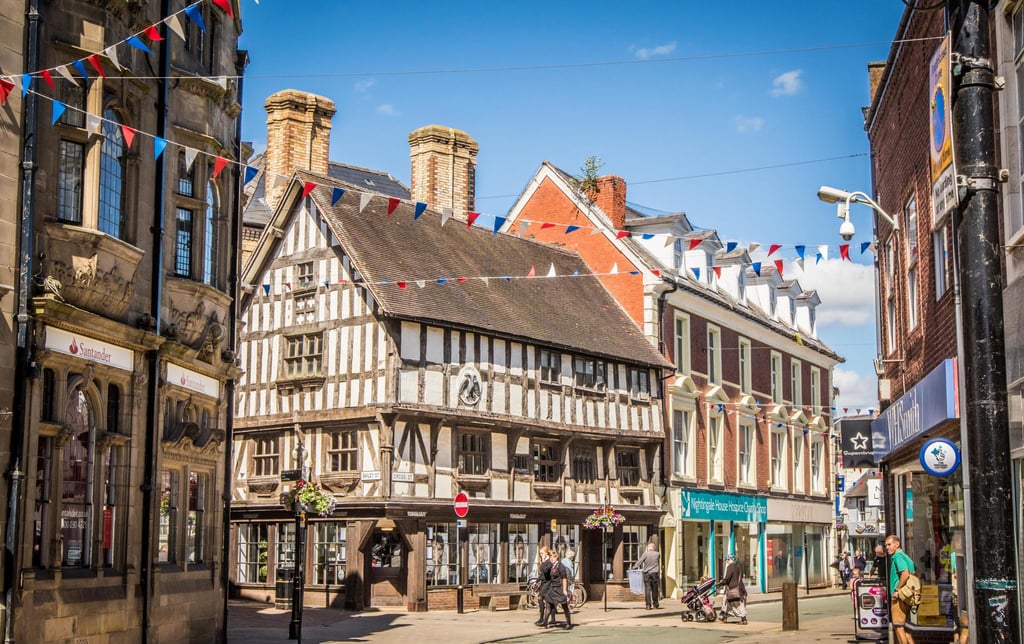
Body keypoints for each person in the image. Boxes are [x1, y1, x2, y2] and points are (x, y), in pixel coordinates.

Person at [885, 535, 917, 644]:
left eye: (889, 545)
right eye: (886, 545)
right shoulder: (905, 556)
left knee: (898, 627)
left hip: (899, 596)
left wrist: (897, 590)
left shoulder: (897, 556)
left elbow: (905, 574)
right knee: (906, 628)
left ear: (897, 544)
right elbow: (915, 572)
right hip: (908, 595)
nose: (887, 547)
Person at [544, 549, 573, 629]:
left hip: (559, 588)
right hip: (553, 588)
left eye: (553, 557)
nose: (551, 559)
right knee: (549, 605)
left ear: (556, 557)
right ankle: (545, 622)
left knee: (564, 606)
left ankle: (569, 623)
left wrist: (564, 590)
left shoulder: (560, 566)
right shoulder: (551, 566)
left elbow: (564, 578)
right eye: (550, 558)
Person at [717, 553, 748, 625]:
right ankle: (724, 617)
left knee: (736, 604)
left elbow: (727, 578)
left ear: (731, 560)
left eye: (728, 559)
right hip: (738, 588)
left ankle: (744, 619)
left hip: (733, 589)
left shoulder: (730, 567)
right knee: (727, 602)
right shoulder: (737, 567)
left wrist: (721, 583)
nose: (726, 561)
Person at [633, 542, 661, 609]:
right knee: (655, 589)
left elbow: (639, 562)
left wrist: (634, 567)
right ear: (654, 548)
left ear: (648, 548)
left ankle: (648, 605)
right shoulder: (657, 554)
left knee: (647, 589)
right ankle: (655, 604)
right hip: (654, 573)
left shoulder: (645, 554)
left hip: (647, 573)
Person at [534, 547, 555, 627]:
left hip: (548, 583)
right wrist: (536, 581)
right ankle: (551, 619)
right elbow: (542, 574)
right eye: (540, 553)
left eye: (542, 553)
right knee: (549, 602)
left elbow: (545, 571)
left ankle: (542, 618)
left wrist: (542, 561)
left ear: (546, 553)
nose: (541, 555)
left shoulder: (549, 561)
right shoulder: (545, 562)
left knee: (540, 598)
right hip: (544, 582)